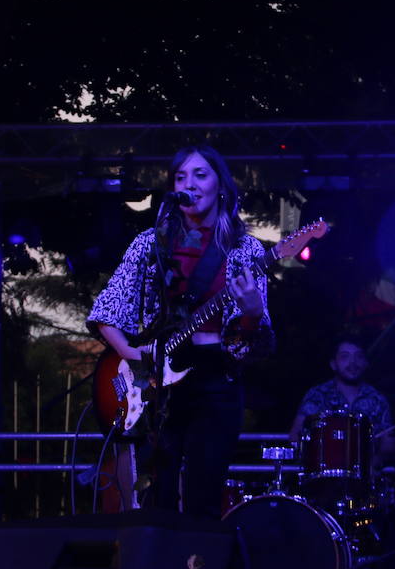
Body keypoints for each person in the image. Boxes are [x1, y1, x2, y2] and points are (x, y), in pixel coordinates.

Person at [87, 145, 273, 518]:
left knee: (205, 492)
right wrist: (131, 354)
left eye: (200, 175)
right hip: (158, 388)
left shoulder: (246, 250)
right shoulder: (150, 244)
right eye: (181, 176)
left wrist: (253, 312)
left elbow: (254, 342)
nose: (190, 184)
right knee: (159, 494)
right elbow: (106, 310)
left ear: (221, 185)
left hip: (217, 380)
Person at [289, 336, 395, 464]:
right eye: (345, 356)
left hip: (367, 477)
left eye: (359, 356)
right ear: (333, 364)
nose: (353, 363)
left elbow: (389, 444)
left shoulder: (377, 399)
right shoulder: (317, 395)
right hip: (323, 475)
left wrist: (374, 462)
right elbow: (295, 435)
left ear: (366, 363)